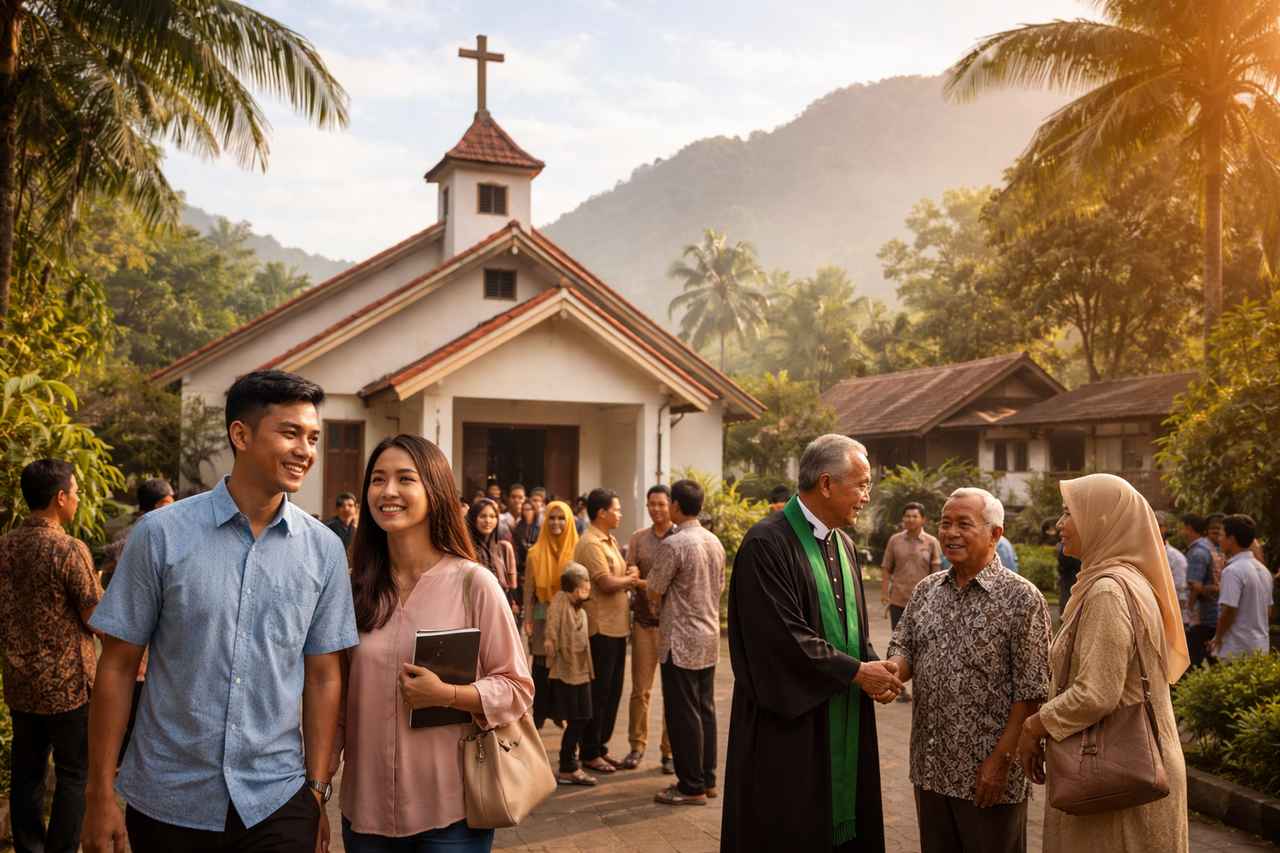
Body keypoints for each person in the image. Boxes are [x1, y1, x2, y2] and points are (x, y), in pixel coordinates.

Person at [83, 370, 358, 853]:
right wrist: (99, 791)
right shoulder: (161, 535)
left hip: (278, 799)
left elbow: (322, 676)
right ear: (241, 434)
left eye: (313, 437)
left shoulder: (324, 551)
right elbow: (118, 665)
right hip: (169, 798)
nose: (306, 450)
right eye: (290, 433)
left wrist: (316, 790)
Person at [336, 435, 532, 852]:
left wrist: (449, 695)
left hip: (452, 813)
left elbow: (517, 687)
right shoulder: (353, 590)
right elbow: (332, 697)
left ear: (435, 490)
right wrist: (316, 789)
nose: (388, 491)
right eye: (377, 479)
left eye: (405, 479)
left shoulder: (473, 584)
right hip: (365, 811)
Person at [723, 434, 899, 853]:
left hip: (840, 716)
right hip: (792, 726)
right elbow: (782, 639)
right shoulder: (767, 543)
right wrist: (857, 672)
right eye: (861, 484)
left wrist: (875, 665)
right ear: (825, 484)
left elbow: (850, 628)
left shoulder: (845, 545)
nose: (866, 496)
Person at [1016, 474, 1190, 853]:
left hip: (1117, 776)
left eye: (1069, 512)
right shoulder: (1126, 579)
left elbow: (1096, 693)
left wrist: (1034, 726)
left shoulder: (1107, 591)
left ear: (1102, 519)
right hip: (1136, 762)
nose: (1060, 524)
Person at [887, 488, 1051, 853]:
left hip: (987, 775)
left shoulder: (1022, 598)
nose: (951, 533)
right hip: (931, 768)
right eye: (946, 523)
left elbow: (1032, 690)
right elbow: (905, 645)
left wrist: (1000, 760)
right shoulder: (928, 590)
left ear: (995, 534)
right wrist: (893, 670)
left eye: (964, 524)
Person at [0, 459, 102, 853]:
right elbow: (96, 618)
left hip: (20, 683)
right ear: (60, 498)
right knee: (74, 774)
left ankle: (29, 848)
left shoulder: (6, 546)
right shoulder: (68, 549)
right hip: (67, 688)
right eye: (75, 493)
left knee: (26, 775)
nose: (77, 499)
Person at [647, 479, 726, 806]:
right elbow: (719, 587)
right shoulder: (713, 541)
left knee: (683, 714)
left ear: (676, 506)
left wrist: (656, 607)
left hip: (680, 640)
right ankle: (706, 779)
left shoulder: (674, 544)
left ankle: (690, 785)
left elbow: (655, 588)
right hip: (707, 636)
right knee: (704, 710)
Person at [98, 477, 175, 768]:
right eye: (170, 501)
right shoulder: (152, 535)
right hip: (139, 633)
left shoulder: (129, 534)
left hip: (129, 631)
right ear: (159, 504)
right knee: (135, 695)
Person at [573, 487, 639, 774]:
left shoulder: (608, 540)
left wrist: (626, 577)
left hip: (617, 626)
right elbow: (605, 583)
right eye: (617, 509)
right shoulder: (590, 543)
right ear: (601, 512)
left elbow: (617, 578)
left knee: (612, 692)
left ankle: (600, 746)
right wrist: (632, 579)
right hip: (601, 627)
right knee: (599, 693)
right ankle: (589, 750)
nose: (620, 514)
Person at [619, 485, 676, 772]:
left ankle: (669, 751)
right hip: (643, 623)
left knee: (672, 691)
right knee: (640, 690)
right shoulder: (638, 538)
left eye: (661, 504)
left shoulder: (679, 538)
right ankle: (636, 746)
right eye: (652, 504)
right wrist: (634, 574)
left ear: (671, 506)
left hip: (671, 626)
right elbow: (631, 569)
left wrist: (643, 583)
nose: (656, 509)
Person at [523, 500, 579, 729]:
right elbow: (528, 590)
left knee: (564, 663)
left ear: (569, 520)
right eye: (552, 518)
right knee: (541, 663)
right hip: (542, 612)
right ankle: (539, 713)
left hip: (568, 613)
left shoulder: (578, 550)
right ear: (545, 521)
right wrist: (527, 619)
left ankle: (559, 711)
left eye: (561, 518)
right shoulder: (534, 553)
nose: (556, 523)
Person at [879, 502, 942, 702]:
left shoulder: (932, 542)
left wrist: (937, 599)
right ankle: (899, 688)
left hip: (925, 604)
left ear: (923, 519)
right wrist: (884, 592)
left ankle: (923, 689)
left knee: (925, 645)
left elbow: (937, 571)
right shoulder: (894, 541)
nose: (910, 519)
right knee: (899, 646)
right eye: (907, 516)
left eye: (915, 516)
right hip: (898, 600)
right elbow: (886, 568)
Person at [546, 563, 597, 787]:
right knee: (576, 718)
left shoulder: (581, 608)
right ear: (577, 586)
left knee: (583, 716)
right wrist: (550, 644)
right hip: (565, 671)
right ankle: (568, 767)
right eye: (585, 581)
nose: (589, 586)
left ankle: (569, 764)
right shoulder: (559, 603)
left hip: (582, 670)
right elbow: (551, 630)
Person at [1208, 515, 1274, 660]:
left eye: (1222, 535)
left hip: (1237, 650)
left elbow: (1229, 611)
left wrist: (1218, 637)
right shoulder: (1263, 570)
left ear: (1231, 539)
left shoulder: (1232, 571)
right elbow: (1268, 611)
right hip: (1260, 648)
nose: (1219, 539)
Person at [100, 478, 175, 588]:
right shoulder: (128, 538)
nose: (173, 509)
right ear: (158, 507)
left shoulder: (168, 534)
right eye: (168, 504)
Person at [1182, 513, 1218, 667]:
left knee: (1191, 662)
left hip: (1201, 617)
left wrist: (1188, 611)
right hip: (1214, 614)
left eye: (1181, 528)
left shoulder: (1197, 552)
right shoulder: (1211, 548)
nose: (1180, 532)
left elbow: (1194, 586)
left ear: (1189, 528)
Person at [466, 497, 517, 593]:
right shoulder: (466, 548)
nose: (488, 521)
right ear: (473, 519)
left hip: (502, 601)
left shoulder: (504, 548)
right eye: (483, 516)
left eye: (492, 516)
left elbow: (512, 586)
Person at [1159, 513, 1191, 630]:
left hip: (1173, 621)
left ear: (1164, 529)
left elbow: (1180, 590)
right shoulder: (1140, 554)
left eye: (1157, 525)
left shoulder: (1176, 558)